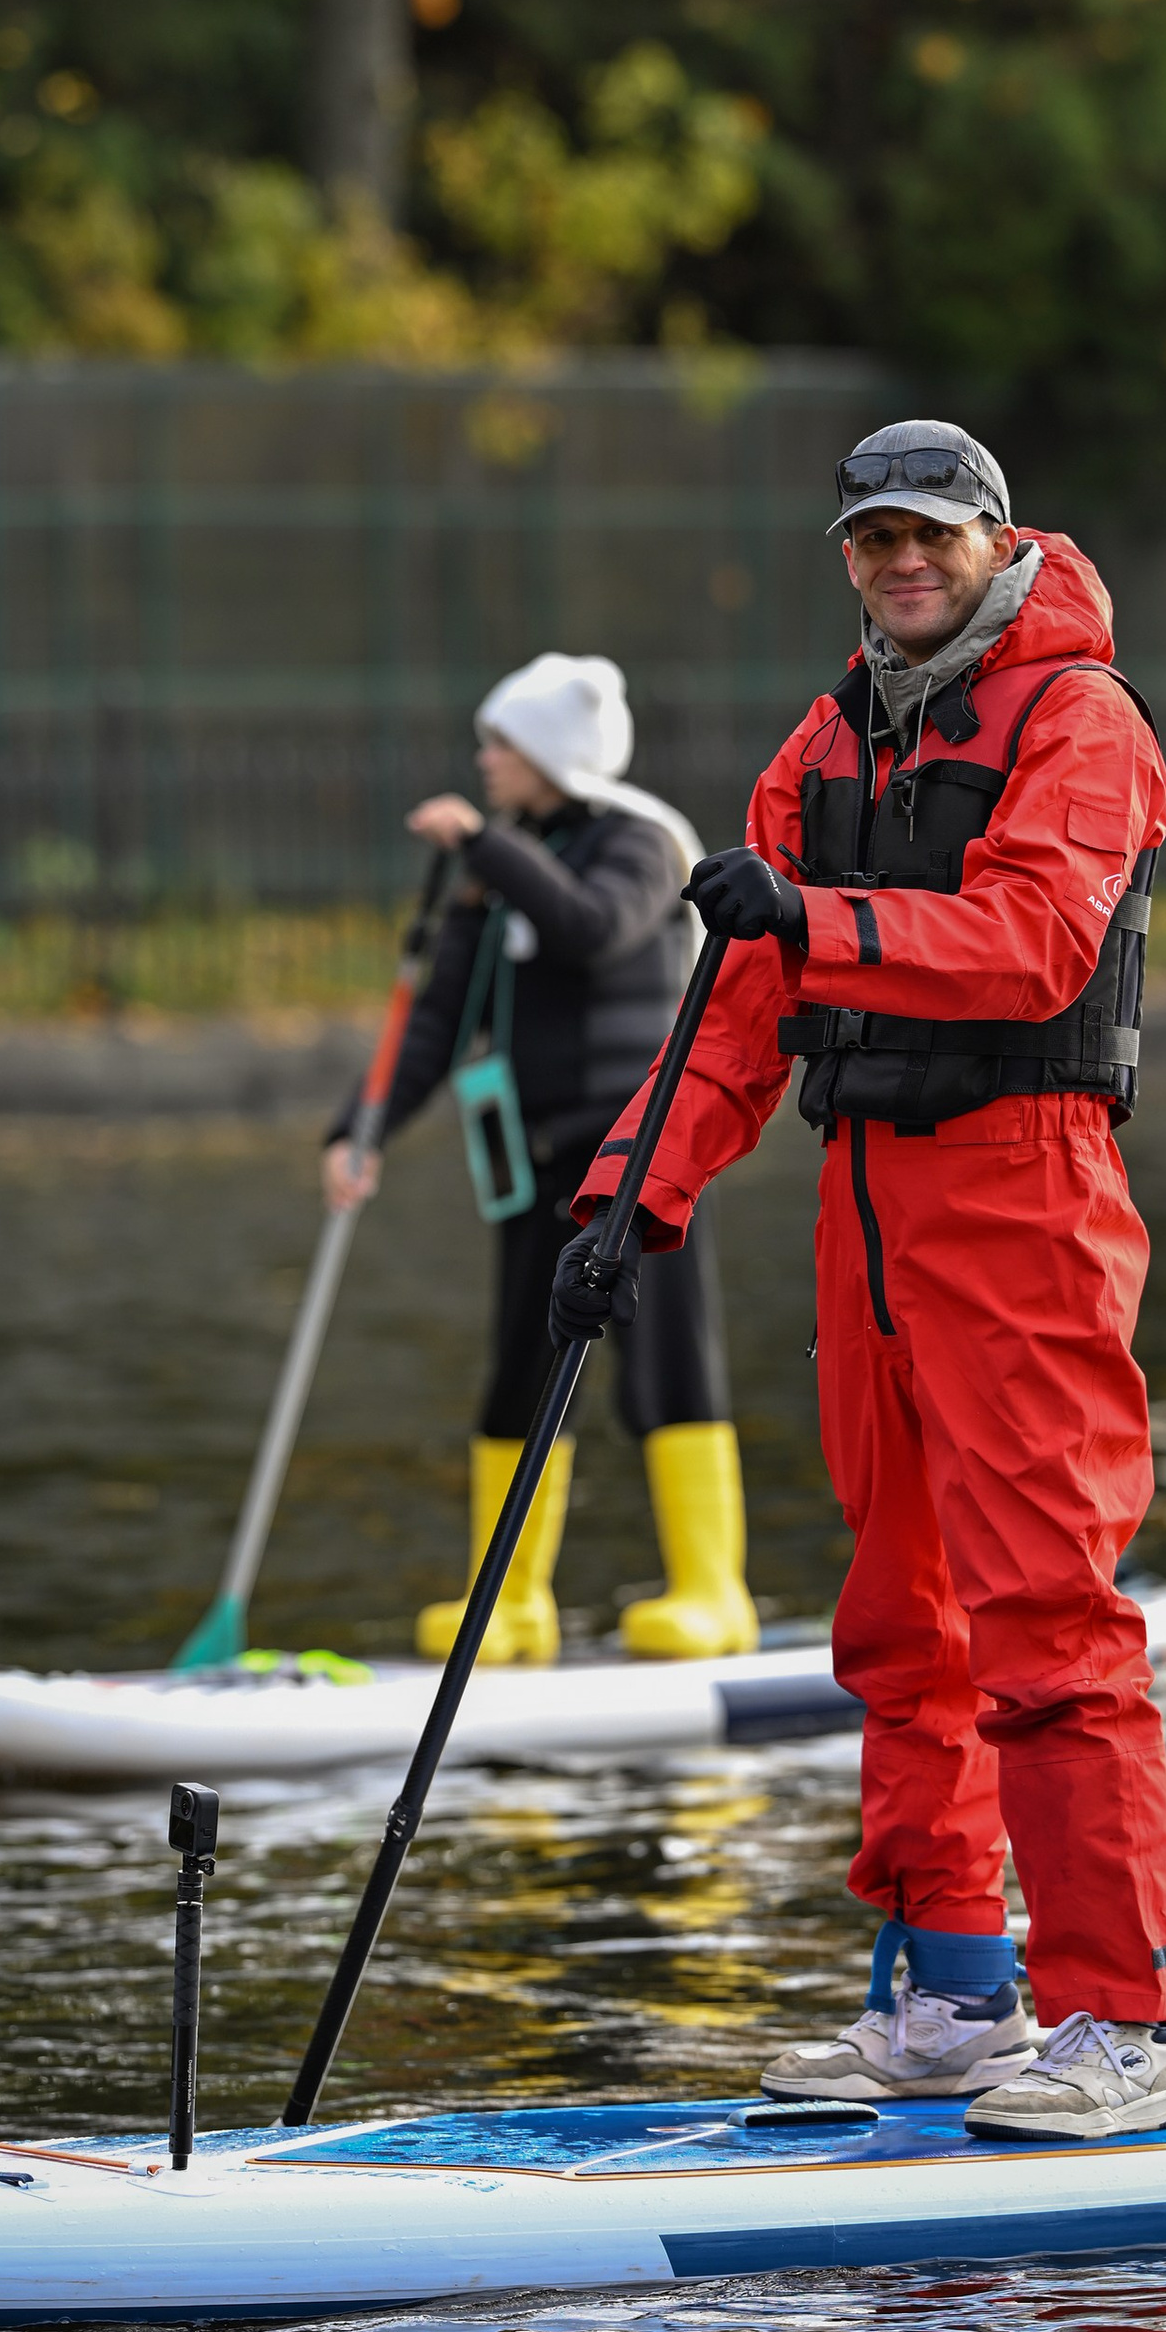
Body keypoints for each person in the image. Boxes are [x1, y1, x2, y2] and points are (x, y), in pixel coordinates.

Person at [564, 420, 1166, 2141]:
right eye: (871, 539)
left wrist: (815, 923)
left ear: (998, 542)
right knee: (898, 1621)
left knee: (1046, 1615)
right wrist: (631, 1199)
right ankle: (948, 1998)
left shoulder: (1084, 722)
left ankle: (1124, 2023)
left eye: (931, 534)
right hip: (866, 1208)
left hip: (1024, 1197)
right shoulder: (822, 743)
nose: (901, 562)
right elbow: (741, 1017)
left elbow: (1030, 947)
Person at [323, 650, 758, 1669]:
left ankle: (711, 1590)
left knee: (663, 1360)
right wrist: (362, 1126)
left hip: (644, 1158)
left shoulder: (644, 843)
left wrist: (484, 847)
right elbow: (434, 1021)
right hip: (535, 1158)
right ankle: (511, 1602)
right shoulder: (504, 862)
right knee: (517, 1369)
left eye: (500, 746)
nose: (483, 762)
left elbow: (592, 929)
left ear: (551, 754)